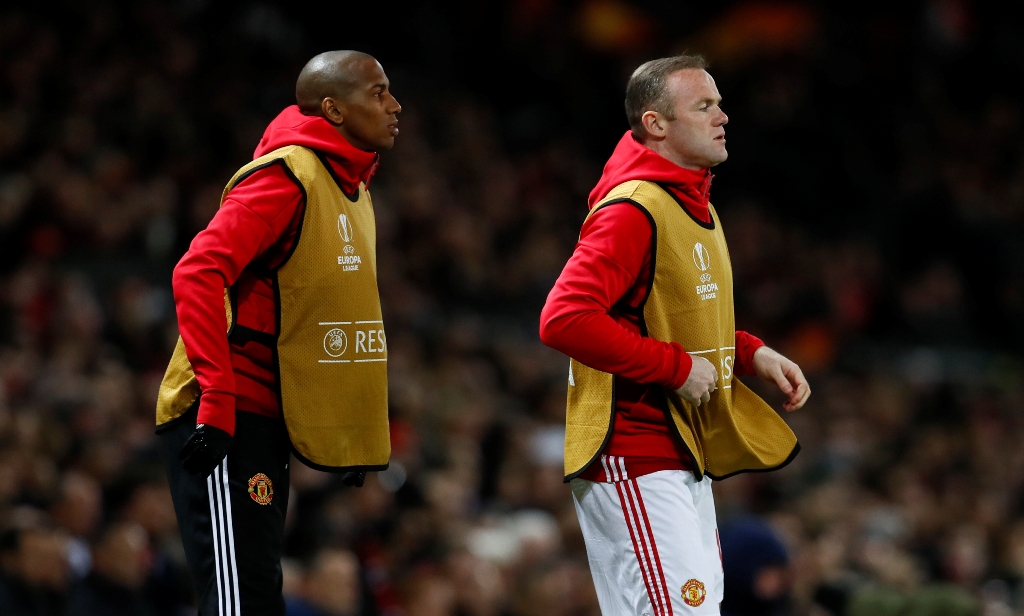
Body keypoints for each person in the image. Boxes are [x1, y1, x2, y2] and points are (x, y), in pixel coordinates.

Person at [539, 54, 811, 616]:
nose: (724, 116)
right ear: (656, 123)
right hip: (632, 448)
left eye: (720, 103)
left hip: (678, 447)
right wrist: (676, 369)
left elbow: (667, 313)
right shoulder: (634, 208)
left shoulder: (692, 203)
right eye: (704, 105)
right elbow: (563, 318)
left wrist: (750, 352)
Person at [155, 50, 401, 615]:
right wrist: (218, 399)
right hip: (219, 419)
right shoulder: (287, 177)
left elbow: (327, 314)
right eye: (379, 93)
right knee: (239, 601)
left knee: (259, 595)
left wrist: (351, 428)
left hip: (266, 418)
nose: (395, 106)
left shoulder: (354, 187)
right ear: (334, 109)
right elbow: (197, 271)